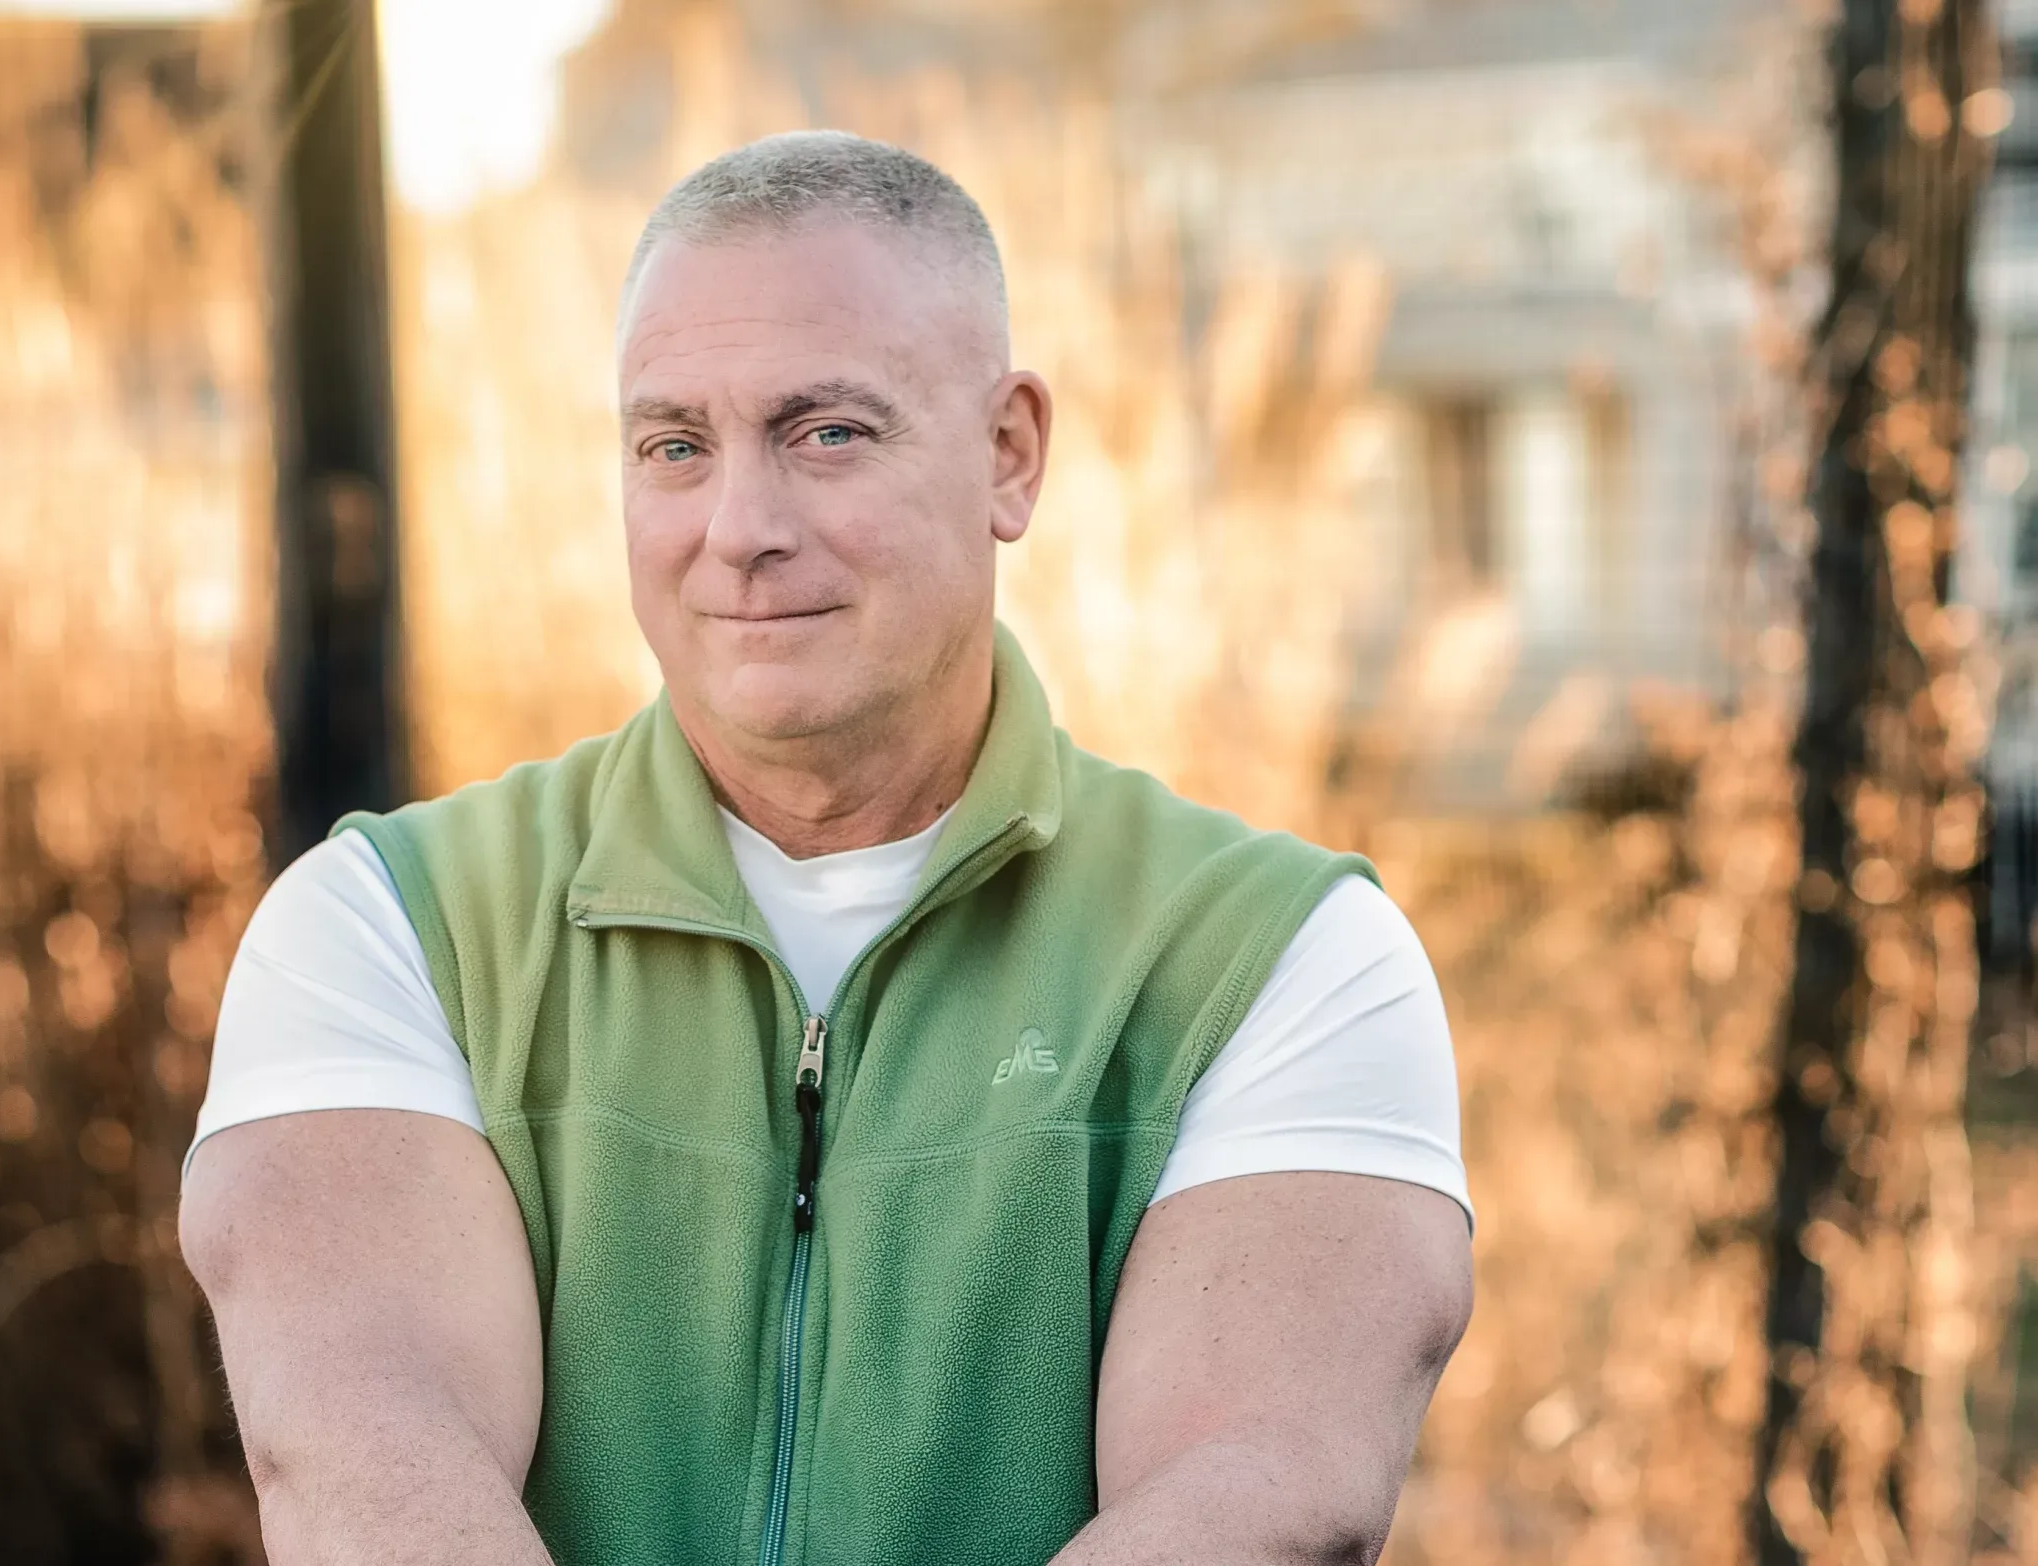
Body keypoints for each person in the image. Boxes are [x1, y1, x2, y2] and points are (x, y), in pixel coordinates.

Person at [179, 130, 1473, 1566]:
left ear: (1008, 454)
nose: (740, 528)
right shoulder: (390, 930)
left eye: (826, 434)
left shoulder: (1276, 958)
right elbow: (364, 1472)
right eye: (675, 445)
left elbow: (1261, 1502)